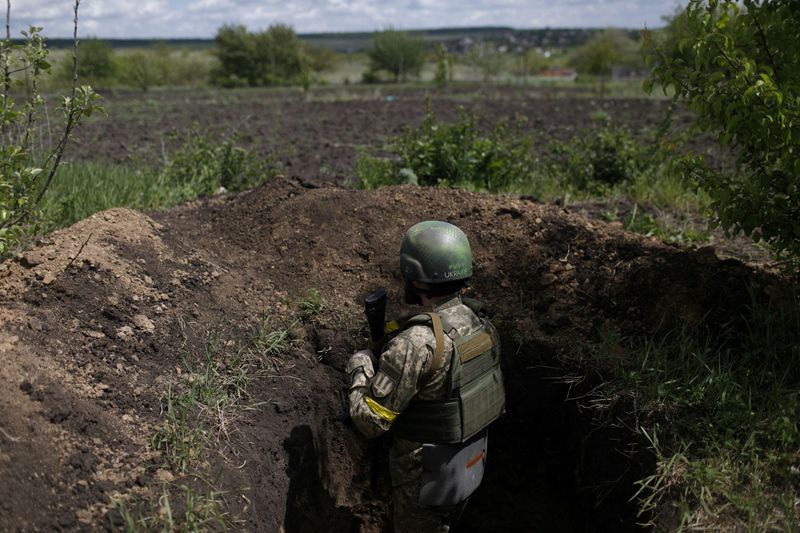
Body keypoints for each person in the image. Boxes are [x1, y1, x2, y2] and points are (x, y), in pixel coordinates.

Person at [347, 220, 506, 533]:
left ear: (417, 279)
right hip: (470, 461)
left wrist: (361, 367)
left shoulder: (416, 342)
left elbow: (370, 421)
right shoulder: (479, 320)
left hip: (425, 478)